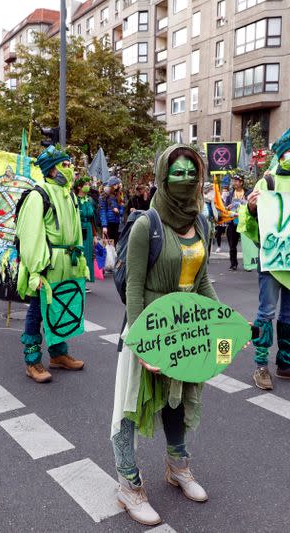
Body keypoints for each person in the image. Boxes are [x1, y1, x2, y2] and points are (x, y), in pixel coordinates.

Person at [111, 144, 214, 526]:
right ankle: (128, 484)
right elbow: (134, 289)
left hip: (185, 328)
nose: (186, 178)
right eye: (178, 171)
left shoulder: (202, 222)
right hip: (149, 326)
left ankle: (177, 467)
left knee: (177, 400)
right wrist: (141, 344)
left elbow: (202, 282)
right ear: (162, 176)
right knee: (130, 405)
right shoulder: (147, 225)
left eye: (192, 171)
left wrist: (228, 323)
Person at [239, 122, 290, 390]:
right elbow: (248, 218)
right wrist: (250, 207)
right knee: (266, 311)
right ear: (280, 155)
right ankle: (261, 365)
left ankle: (285, 364)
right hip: (271, 258)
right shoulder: (268, 180)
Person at [16, 146, 88, 384]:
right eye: (65, 165)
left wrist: (81, 261)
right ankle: (32, 362)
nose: (70, 169)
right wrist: (35, 270)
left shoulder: (69, 195)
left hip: (67, 263)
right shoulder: (38, 195)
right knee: (37, 311)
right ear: (52, 169)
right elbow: (31, 235)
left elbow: (75, 231)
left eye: (69, 164)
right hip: (48, 265)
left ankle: (57, 355)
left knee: (61, 307)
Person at [74, 176, 97, 284]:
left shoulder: (90, 200)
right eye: (86, 184)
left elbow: (93, 219)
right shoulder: (74, 199)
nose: (88, 186)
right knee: (79, 252)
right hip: (78, 228)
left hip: (88, 228)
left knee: (88, 253)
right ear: (79, 187)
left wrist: (95, 235)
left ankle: (86, 278)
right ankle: (77, 278)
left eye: (89, 184)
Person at [224, 173, 248, 270]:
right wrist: (228, 207)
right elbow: (225, 208)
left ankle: (248, 264)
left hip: (245, 221)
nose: (234, 183)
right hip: (233, 221)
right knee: (232, 245)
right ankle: (233, 264)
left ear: (241, 182)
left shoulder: (247, 193)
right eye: (233, 181)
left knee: (247, 244)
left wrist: (247, 202)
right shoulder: (230, 194)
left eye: (236, 181)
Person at [100, 177, 123, 243]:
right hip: (108, 224)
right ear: (113, 185)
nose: (119, 186)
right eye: (117, 184)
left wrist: (119, 211)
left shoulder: (118, 194)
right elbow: (102, 211)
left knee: (114, 245)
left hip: (116, 223)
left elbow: (121, 207)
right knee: (108, 245)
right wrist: (104, 226)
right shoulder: (104, 195)